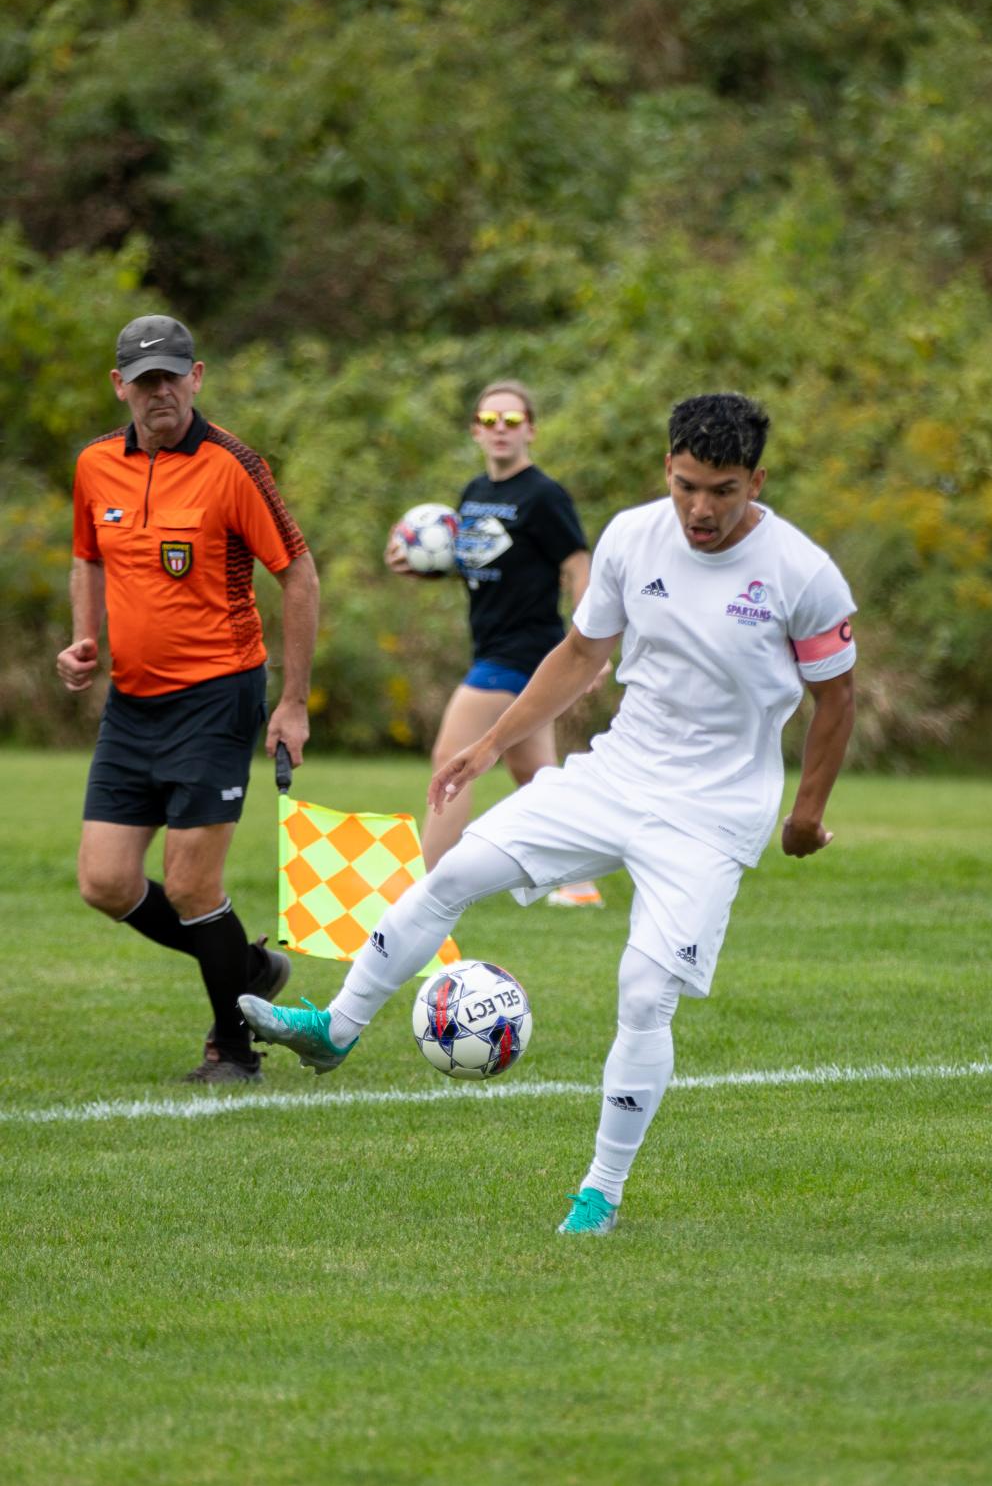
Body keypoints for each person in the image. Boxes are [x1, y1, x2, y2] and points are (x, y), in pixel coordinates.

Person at [242, 392, 856, 1233]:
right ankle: (335, 1027)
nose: (701, 509)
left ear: (757, 479)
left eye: (722, 489)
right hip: (616, 774)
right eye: (685, 486)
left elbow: (837, 698)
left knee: (644, 993)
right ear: (665, 470)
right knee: (454, 870)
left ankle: (599, 1192)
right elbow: (578, 655)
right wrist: (490, 745)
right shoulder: (633, 538)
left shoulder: (802, 572)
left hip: (712, 814)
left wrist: (805, 812)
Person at [57, 313, 319, 1084]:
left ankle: (234, 1049)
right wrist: (85, 639)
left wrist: (294, 703)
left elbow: (298, 575)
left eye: (171, 376)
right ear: (121, 387)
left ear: (196, 376)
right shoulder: (95, 465)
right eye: (144, 381)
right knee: (104, 881)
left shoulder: (233, 464)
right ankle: (248, 966)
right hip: (132, 704)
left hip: (218, 696)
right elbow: (86, 556)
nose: (159, 392)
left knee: (192, 883)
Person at [385, 379, 604, 905]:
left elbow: (578, 565)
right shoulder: (474, 494)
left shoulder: (544, 496)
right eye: (489, 421)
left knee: (451, 755)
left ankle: (429, 888)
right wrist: (427, 571)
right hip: (491, 646)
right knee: (532, 773)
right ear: (475, 431)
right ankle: (576, 882)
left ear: (530, 430)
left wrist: (590, 642)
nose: (500, 430)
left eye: (511, 421)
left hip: (526, 651)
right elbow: (478, 564)